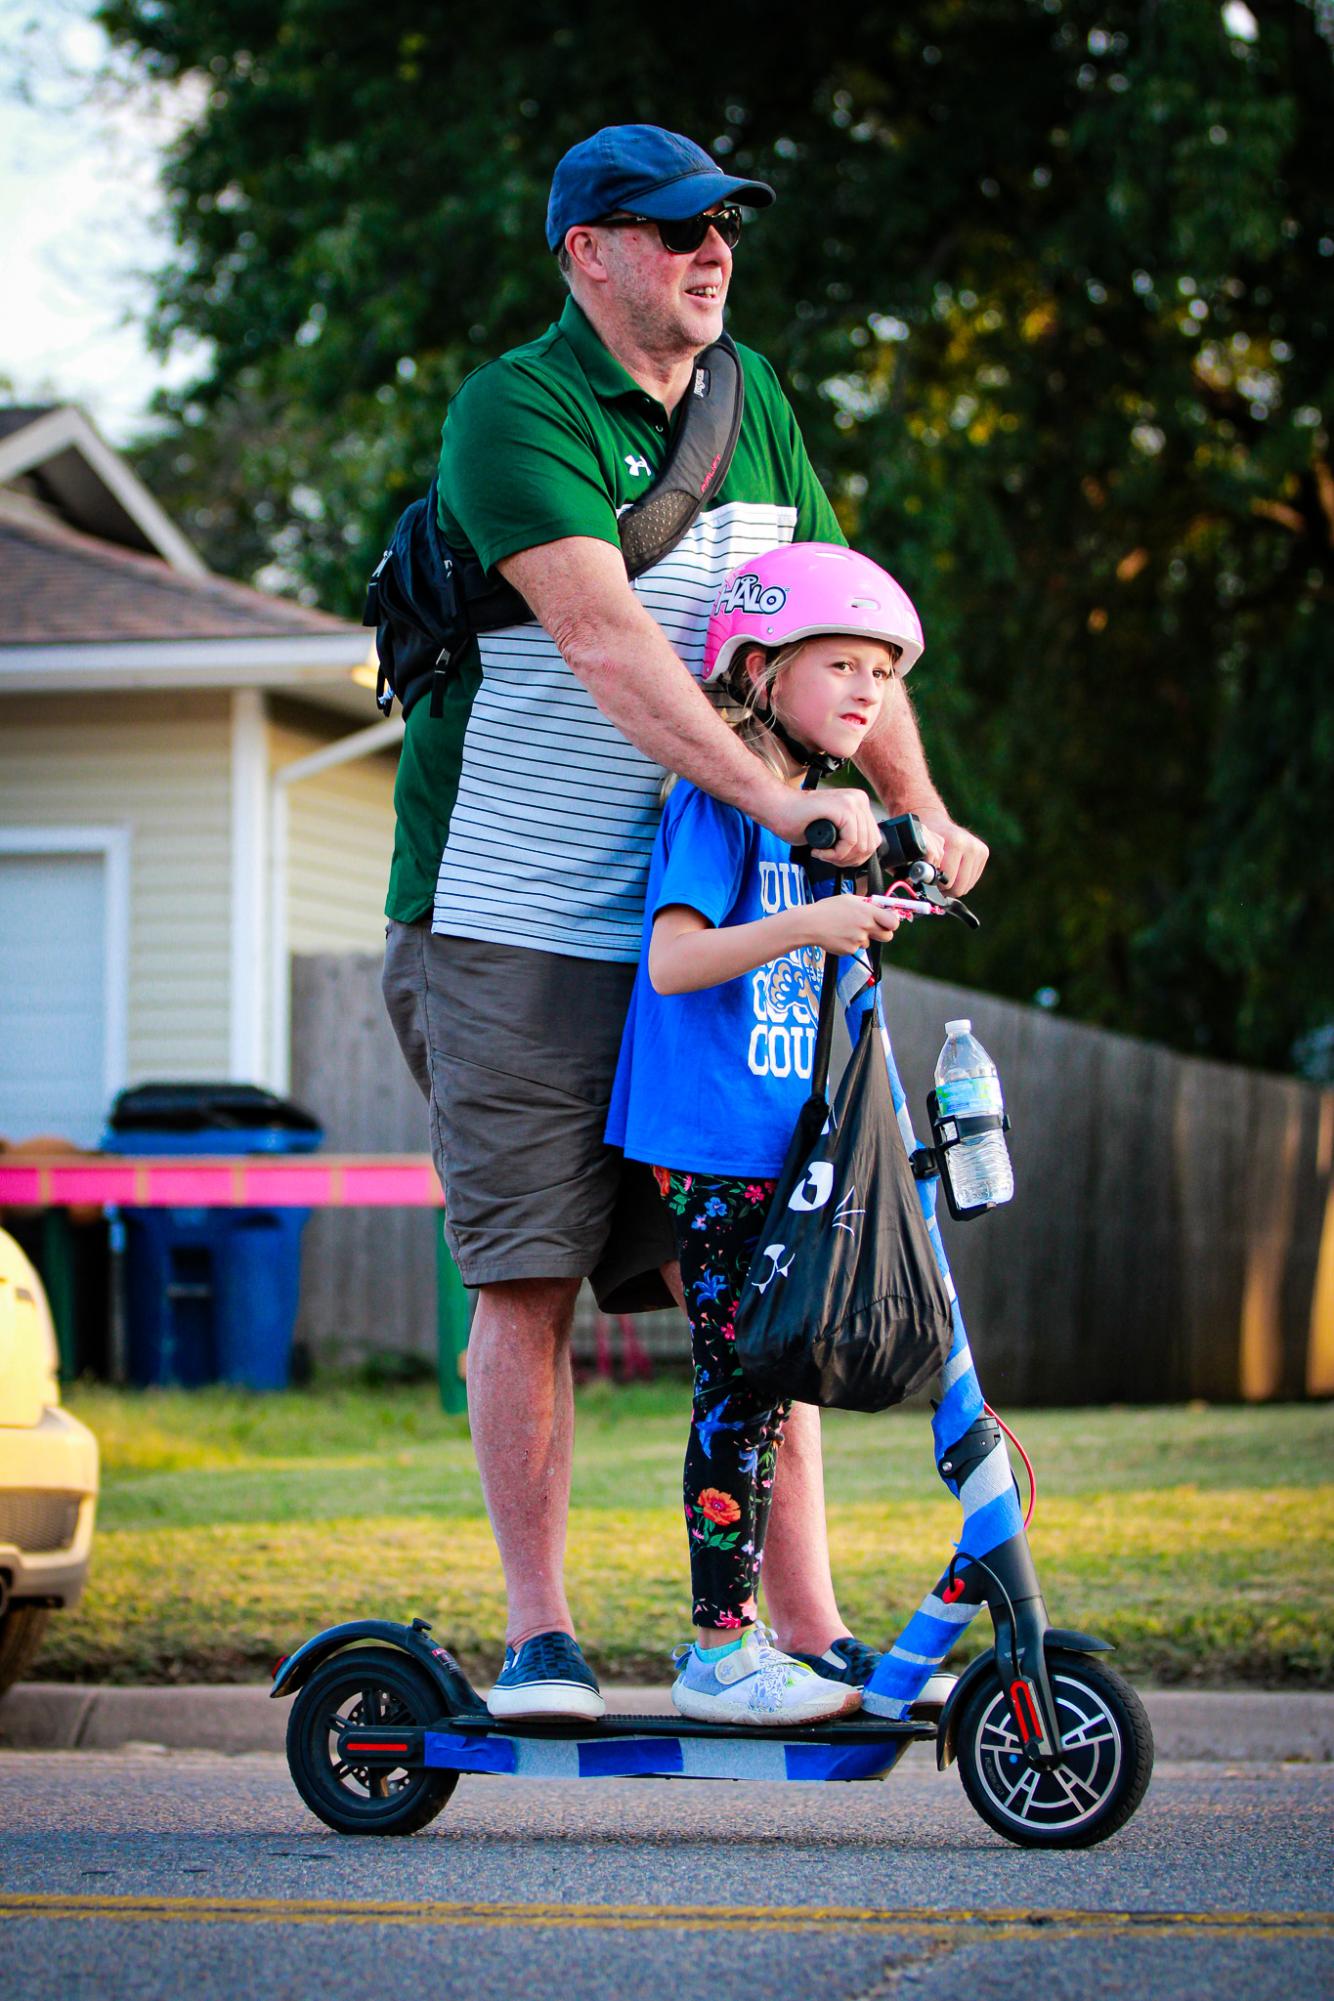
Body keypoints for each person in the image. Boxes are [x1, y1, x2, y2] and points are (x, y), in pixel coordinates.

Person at [380, 124, 989, 1722]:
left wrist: (911, 816)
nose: (708, 251)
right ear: (587, 252)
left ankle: (800, 1626)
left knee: (758, 1271)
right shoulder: (513, 408)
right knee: (527, 1275)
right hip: (514, 922)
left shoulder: (753, 398)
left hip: (717, 923)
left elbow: (835, 634)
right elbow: (606, 644)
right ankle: (540, 1643)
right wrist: (787, 811)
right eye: (667, 229)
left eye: (720, 225)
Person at [606, 541, 922, 1723]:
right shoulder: (722, 800)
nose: (863, 690)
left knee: (768, 1384)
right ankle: (717, 1653)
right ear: (756, 668)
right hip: (712, 1142)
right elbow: (676, 960)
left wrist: (872, 899)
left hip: (782, 1146)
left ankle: (762, 1642)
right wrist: (814, 926)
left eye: (880, 674)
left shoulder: (819, 820)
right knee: (738, 1387)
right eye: (836, 663)